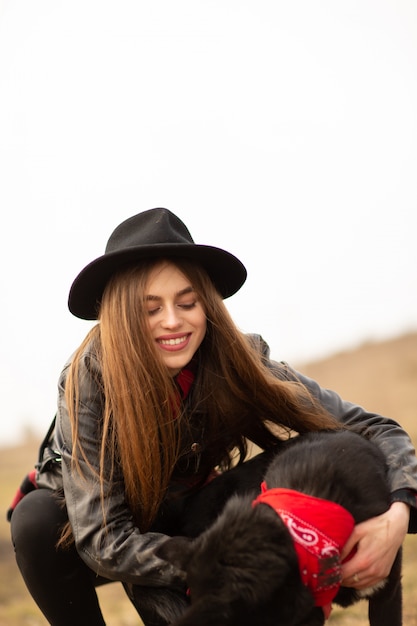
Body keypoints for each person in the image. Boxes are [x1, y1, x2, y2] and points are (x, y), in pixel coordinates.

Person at [10, 207, 417, 626]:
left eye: (187, 302)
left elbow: (375, 430)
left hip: (191, 514)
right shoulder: (88, 379)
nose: (173, 321)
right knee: (35, 521)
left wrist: (396, 517)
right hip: (96, 531)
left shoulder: (238, 354)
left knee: (335, 450)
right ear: (122, 317)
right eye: (151, 309)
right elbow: (105, 540)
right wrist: (227, 566)